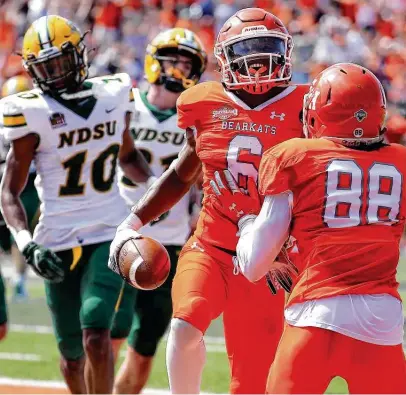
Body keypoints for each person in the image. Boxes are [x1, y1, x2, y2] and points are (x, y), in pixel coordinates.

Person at [109, 8, 308, 394]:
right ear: (225, 58)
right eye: (247, 50)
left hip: (269, 259)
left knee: (250, 381)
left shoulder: (305, 107)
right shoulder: (203, 102)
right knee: (184, 324)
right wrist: (132, 222)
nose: (258, 61)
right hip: (211, 244)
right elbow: (183, 172)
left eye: (267, 49)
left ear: (286, 52)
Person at [210, 63, 406, 394]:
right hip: (382, 319)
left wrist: (244, 223)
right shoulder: (399, 161)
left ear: (318, 114)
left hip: (315, 311)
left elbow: (256, 264)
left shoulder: (296, 156)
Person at [0, 15, 154, 394]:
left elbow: (129, 156)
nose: (54, 74)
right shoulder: (29, 110)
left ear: (79, 54)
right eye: (44, 67)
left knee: (96, 334)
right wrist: (26, 243)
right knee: (71, 356)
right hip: (55, 237)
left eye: (60, 62)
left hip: (108, 229)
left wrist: (154, 189)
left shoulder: (114, 93)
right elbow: (9, 191)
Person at [110, 27, 206, 394]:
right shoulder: (126, 106)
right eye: (173, 59)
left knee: (145, 347)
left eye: (187, 62)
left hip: (173, 245)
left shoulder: (198, 117)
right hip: (125, 237)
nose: (180, 69)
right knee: (108, 336)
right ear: (153, 61)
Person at [0, 75, 37, 301]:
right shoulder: (32, 120)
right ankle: (18, 281)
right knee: (18, 234)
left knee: (19, 235)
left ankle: (19, 281)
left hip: (23, 182)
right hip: (21, 181)